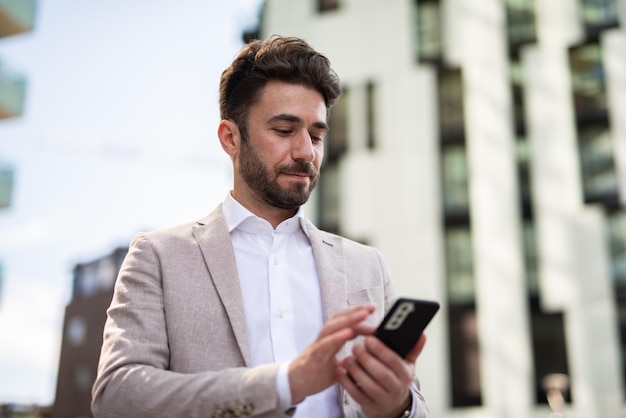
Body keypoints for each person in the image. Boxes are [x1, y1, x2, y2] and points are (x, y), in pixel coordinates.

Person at [91, 35, 429, 418]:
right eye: (285, 131)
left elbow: (415, 407)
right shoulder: (160, 256)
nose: (306, 152)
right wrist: (287, 383)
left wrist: (396, 406)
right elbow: (118, 397)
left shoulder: (367, 266)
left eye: (316, 136)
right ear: (230, 138)